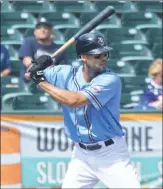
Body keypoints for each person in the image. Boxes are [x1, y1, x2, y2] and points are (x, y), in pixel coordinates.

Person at [25, 33, 141, 188]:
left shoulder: (110, 80)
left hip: (111, 155)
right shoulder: (64, 73)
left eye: (105, 53)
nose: (103, 58)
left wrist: (41, 82)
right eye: (97, 55)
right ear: (84, 57)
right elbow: (29, 73)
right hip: (81, 156)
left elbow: (75, 101)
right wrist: (38, 65)